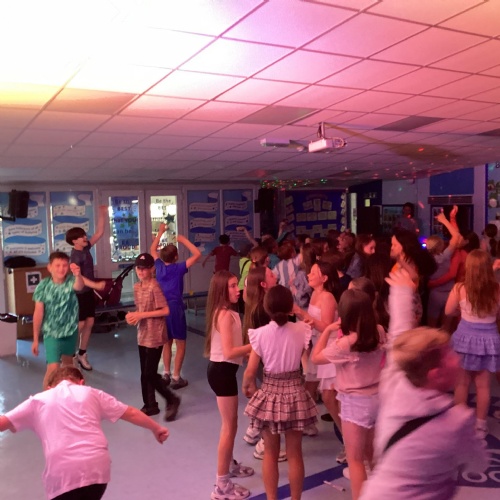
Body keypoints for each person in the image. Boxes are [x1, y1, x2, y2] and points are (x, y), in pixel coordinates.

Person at [359, 269, 489, 499]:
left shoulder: (396, 381)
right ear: (435, 375)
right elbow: (478, 462)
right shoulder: (456, 421)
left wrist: (402, 292)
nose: (456, 358)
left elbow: (399, 336)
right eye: (449, 355)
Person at [0, 366, 169, 500]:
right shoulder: (92, 392)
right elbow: (130, 412)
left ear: (49, 387)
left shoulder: (39, 400)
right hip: (97, 470)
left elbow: (2, 423)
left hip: (63, 474)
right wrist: (156, 428)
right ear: (81, 382)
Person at [243, 286, 318, 500]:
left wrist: (248, 386)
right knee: (295, 454)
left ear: (266, 308)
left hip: (270, 394)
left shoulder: (259, 334)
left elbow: (250, 371)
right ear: (290, 306)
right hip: (295, 393)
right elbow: (305, 351)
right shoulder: (302, 330)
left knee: (270, 453)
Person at [311, 289, 385, 500]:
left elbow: (316, 358)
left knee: (355, 459)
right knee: (372, 453)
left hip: (355, 402)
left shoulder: (345, 344)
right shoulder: (379, 331)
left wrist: (327, 330)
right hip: (377, 397)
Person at [204, 271, 254, 500]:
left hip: (224, 371)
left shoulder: (227, 312)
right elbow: (229, 351)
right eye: (232, 286)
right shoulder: (224, 315)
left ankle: (230, 465)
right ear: (222, 290)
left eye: (237, 285)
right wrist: (255, 344)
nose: (238, 290)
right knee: (229, 427)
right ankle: (222, 485)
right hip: (222, 372)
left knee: (231, 425)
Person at [444, 248, 500, 439]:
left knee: (462, 383)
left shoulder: (459, 288)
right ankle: (481, 426)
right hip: (489, 340)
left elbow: (448, 311)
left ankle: (459, 423)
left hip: (465, 339)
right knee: (483, 386)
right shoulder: (497, 289)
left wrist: (461, 311)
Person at [32, 251, 105, 390]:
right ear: (49, 267)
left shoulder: (71, 281)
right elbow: (38, 312)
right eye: (57, 265)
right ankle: (45, 397)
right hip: (51, 333)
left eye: (64, 265)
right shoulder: (43, 286)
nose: (61, 269)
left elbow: (79, 286)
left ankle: (71, 395)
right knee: (53, 367)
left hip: (70, 332)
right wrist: (35, 338)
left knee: (68, 366)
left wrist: (78, 274)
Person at [126, 253, 181, 421]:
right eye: (138, 268)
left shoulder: (154, 286)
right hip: (143, 333)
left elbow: (165, 310)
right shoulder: (137, 287)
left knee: (150, 372)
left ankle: (171, 398)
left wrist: (141, 315)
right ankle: (150, 404)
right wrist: (134, 317)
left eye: (144, 268)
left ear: (152, 269)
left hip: (155, 334)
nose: (141, 271)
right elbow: (141, 310)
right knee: (144, 372)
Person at [150, 225, 202, 389]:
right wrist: (183, 240)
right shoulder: (179, 268)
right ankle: (176, 377)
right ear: (176, 257)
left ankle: (166, 373)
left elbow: (152, 249)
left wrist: (160, 232)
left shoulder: (159, 266)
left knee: (167, 342)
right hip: (175, 308)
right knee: (180, 343)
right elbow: (197, 254)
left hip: (161, 308)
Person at [293, 261, 338, 438]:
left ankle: (346, 436)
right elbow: (311, 322)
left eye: (313, 273)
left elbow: (326, 327)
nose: (308, 275)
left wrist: (300, 312)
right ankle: (308, 423)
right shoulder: (315, 294)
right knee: (309, 385)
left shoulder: (327, 297)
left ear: (324, 278)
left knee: (328, 395)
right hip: (317, 343)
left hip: (329, 345)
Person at [65, 205, 108, 371]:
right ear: (74, 241)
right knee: (80, 325)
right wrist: (96, 285)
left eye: (84, 235)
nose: (85, 237)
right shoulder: (75, 256)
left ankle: (82, 353)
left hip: (88, 293)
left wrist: (102, 214)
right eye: (81, 236)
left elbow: (99, 233)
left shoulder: (86, 248)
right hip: (78, 294)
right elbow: (79, 277)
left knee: (90, 322)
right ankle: (70, 355)